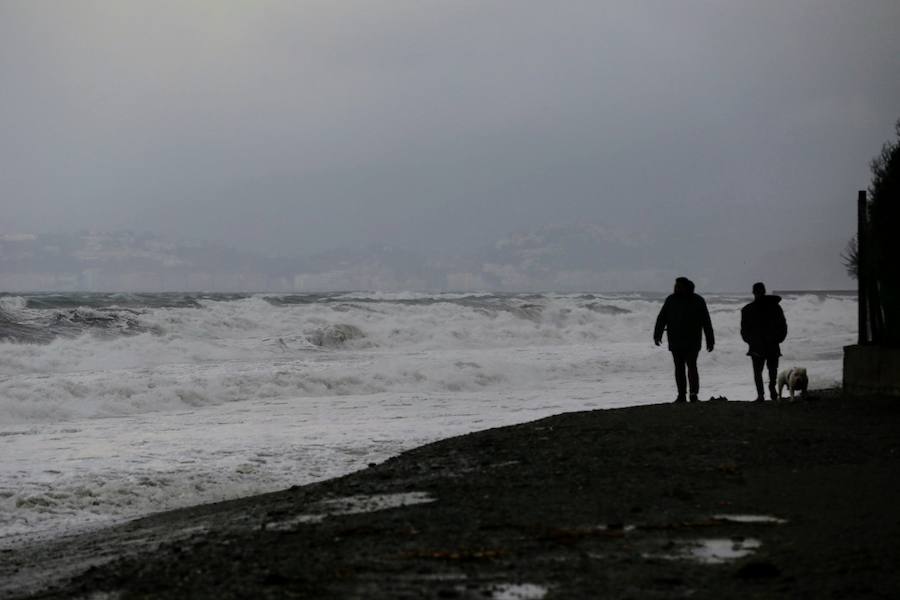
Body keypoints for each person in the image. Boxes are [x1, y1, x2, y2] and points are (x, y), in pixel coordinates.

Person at [653, 277, 715, 403]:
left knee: (691, 366)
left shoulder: (697, 300)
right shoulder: (671, 300)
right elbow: (662, 318)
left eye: (678, 286)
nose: (675, 288)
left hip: (692, 341)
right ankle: (681, 394)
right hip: (676, 340)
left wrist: (710, 339)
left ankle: (693, 394)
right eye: (675, 286)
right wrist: (657, 334)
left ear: (686, 287)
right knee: (679, 368)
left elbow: (706, 322)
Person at [740, 282, 787, 401]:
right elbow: (783, 326)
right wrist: (778, 339)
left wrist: (750, 341)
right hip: (768, 344)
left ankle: (762, 394)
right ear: (764, 291)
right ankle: (771, 389)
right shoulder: (775, 307)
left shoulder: (747, 309)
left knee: (759, 372)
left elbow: (744, 331)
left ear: (753, 292)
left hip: (760, 345)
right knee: (771, 370)